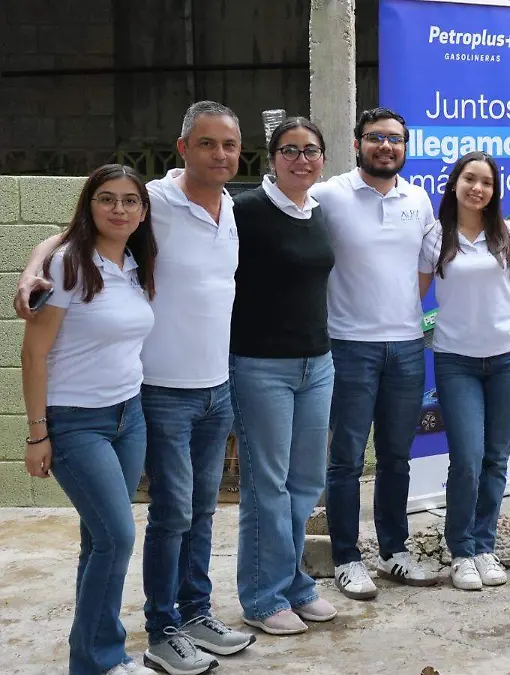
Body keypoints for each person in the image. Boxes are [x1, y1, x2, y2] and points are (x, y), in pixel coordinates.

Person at [14, 100, 255, 675]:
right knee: (158, 519)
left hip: (211, 389)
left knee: (197, 511)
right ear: (183, 149)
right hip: (158, 396)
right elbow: (65, 235)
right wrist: (30, 267)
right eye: (206, 143)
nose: (219, 154)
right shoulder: (154, 198)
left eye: (228, 144)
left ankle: (193, 615)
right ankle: (159, 627)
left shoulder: (228, 213)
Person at [20, 165, 158, 675]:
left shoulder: (135, 263)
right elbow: (33, 355)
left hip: (129, 415)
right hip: (76, 422)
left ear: (143, 212)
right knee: (117, 537)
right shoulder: (67, 266)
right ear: (89, 205)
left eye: (129, 201)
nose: (119, 210)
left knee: (98, 539)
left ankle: (93, 657)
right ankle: (101, 658)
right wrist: (37, 435)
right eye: (106, 199)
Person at [310, 108, 441, 599]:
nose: (385, 147)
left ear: (405, 146)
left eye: (394, 139)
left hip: (407, 347)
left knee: (396, 458)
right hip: (348, 347)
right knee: (345, 460)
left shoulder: (419, 199)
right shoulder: (330, 194)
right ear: (358, 142)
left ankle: (393, 552)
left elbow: (425, 265)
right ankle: (347, 556)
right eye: (375, 138)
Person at [228, 117, 337, 635]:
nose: (302, 159)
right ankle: (261, 595)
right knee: (266, 486)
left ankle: (294, 583)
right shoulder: (243, 209)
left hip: (317, 364)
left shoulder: (317, 212)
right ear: (271, 158)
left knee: (305, 483)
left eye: (311, 150)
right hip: (259, 366)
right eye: (290, 150)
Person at [418, 151, 510, 590]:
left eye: (486, 182)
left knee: (495, 458)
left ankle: (485, 546)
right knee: (466, 458)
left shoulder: (508, 235)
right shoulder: (436, 236)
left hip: (507, 356)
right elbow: (415, 292)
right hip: (456, 361)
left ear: (494, 191)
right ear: (455, 183)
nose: (478, 188)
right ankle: (461, 550)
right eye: (470, 179)